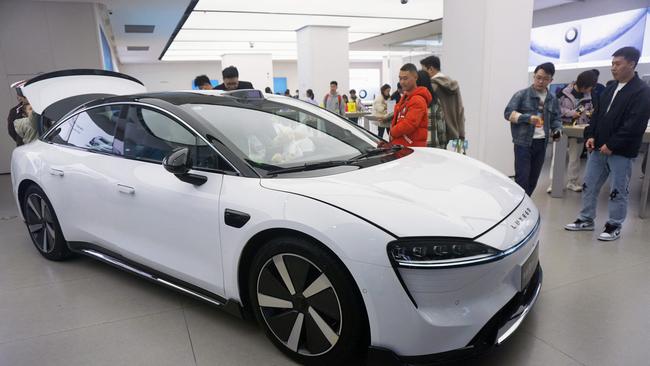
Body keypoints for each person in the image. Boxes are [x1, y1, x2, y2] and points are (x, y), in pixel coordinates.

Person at [565, 47, 650, 241]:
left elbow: (634, 124)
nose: (613, 68)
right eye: (612, 64)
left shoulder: (642, 91)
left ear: (632, 64)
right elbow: (597, 115)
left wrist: (612, 144)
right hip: (598, 148)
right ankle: (586, 219)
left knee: (617, 189)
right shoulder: (610, 87)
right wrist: (591, 135)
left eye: (618, 64)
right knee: (589, 184)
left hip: (621, 151)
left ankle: (614, 224)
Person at [504, 62, 562, 196]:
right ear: (534, 76)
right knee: (522, 179)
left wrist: (557, 130)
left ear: (551, 80)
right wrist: (528, 118)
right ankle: (519, 206)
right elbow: (507, 113)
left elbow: (556, 119)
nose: (541, 81)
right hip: (523, 143)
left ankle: (525, 204)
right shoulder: (521, 95)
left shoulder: (552, 99)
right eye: (538, 77)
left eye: (545, 79)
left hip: (541, 143)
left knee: (533, 179)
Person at [547, 70, 597, 193]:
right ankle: (554, 184)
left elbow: (590, 109)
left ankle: (572, 182)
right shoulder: (562, 92)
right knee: (557, 156)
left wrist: (590, 113)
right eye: (590, 86)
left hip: (579, 128)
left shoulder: (589, 95)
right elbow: (554, 108)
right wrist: (570, 113)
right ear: (584, 85)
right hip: (559, 127)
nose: (591, 89)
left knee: (575, 157)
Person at [420, 55, 466, 146]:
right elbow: (460, 108)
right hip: (454, 128)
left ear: (431, 69)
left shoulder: (432, 86)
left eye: (423, 70)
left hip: (439, 130)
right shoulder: (453, 84)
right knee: (455, 157)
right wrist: (461, 133)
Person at [390, 63, 432, 147]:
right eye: (400, 78)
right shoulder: (405, 98)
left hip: (412, 149)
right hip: (403, 147)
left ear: (415, 77)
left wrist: (392, 131)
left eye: (405, 78)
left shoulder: (418, 100)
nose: (402, 82)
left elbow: (409, 124)